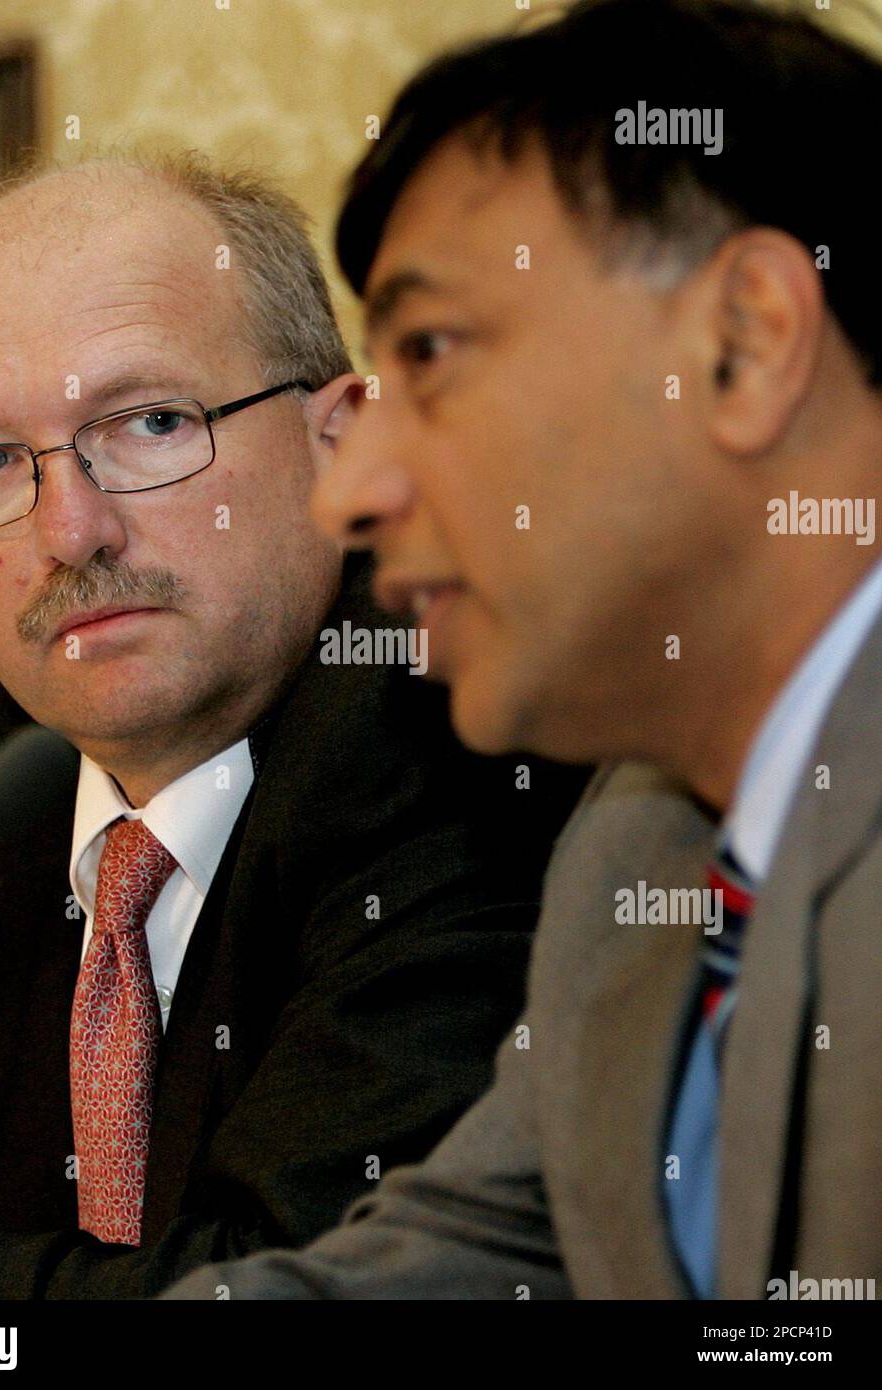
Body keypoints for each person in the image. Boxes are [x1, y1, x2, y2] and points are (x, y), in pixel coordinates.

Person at [163, 0, 882, 1300]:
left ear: (748, 340)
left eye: (431, 352)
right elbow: (477, 1253)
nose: (350, 493)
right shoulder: (641, 845)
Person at [0, 151, 587, 1299]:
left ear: (339, 438)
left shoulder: (466, 750)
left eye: (150, 422)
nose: (69, 531)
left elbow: (281, 1281)